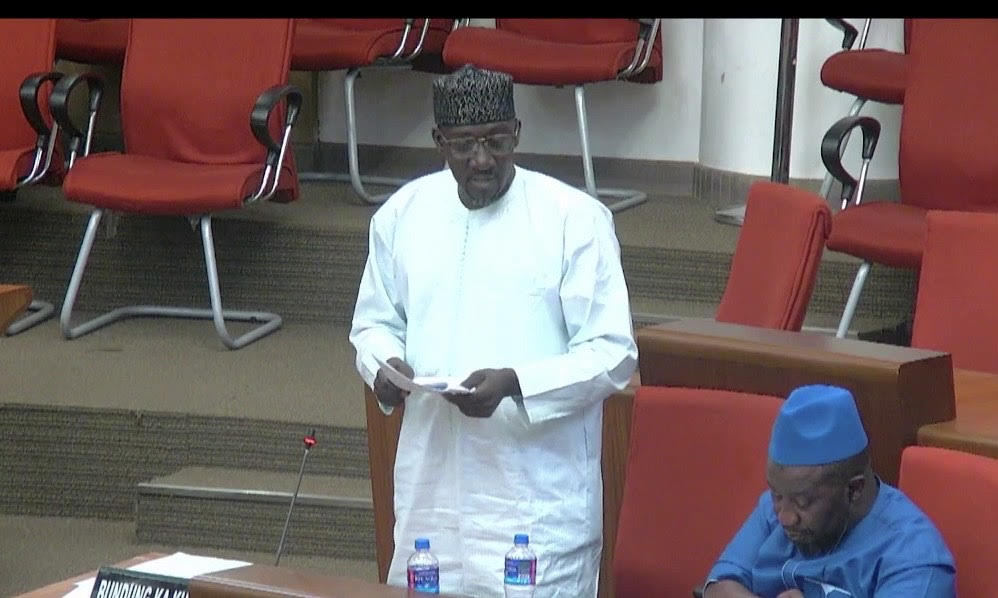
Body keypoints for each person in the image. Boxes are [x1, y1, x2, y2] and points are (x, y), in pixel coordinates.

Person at [349, 64, 637, 597]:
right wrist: (383, 368)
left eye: (496, 141)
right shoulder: (402, 215)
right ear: (439, 141)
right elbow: (374, 323)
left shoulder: (573, 219)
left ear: (517, 134)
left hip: (533, 498)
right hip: (432, 490)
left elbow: (612, 352)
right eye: (464, 145)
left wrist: (516, 384)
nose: (482, 159)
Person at [703, 385, 956, 598]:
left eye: (803, 502)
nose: (784, 517)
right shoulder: (776, 509)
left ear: (854, 489)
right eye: (777, 495)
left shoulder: (913, 559)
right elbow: (718, 587)